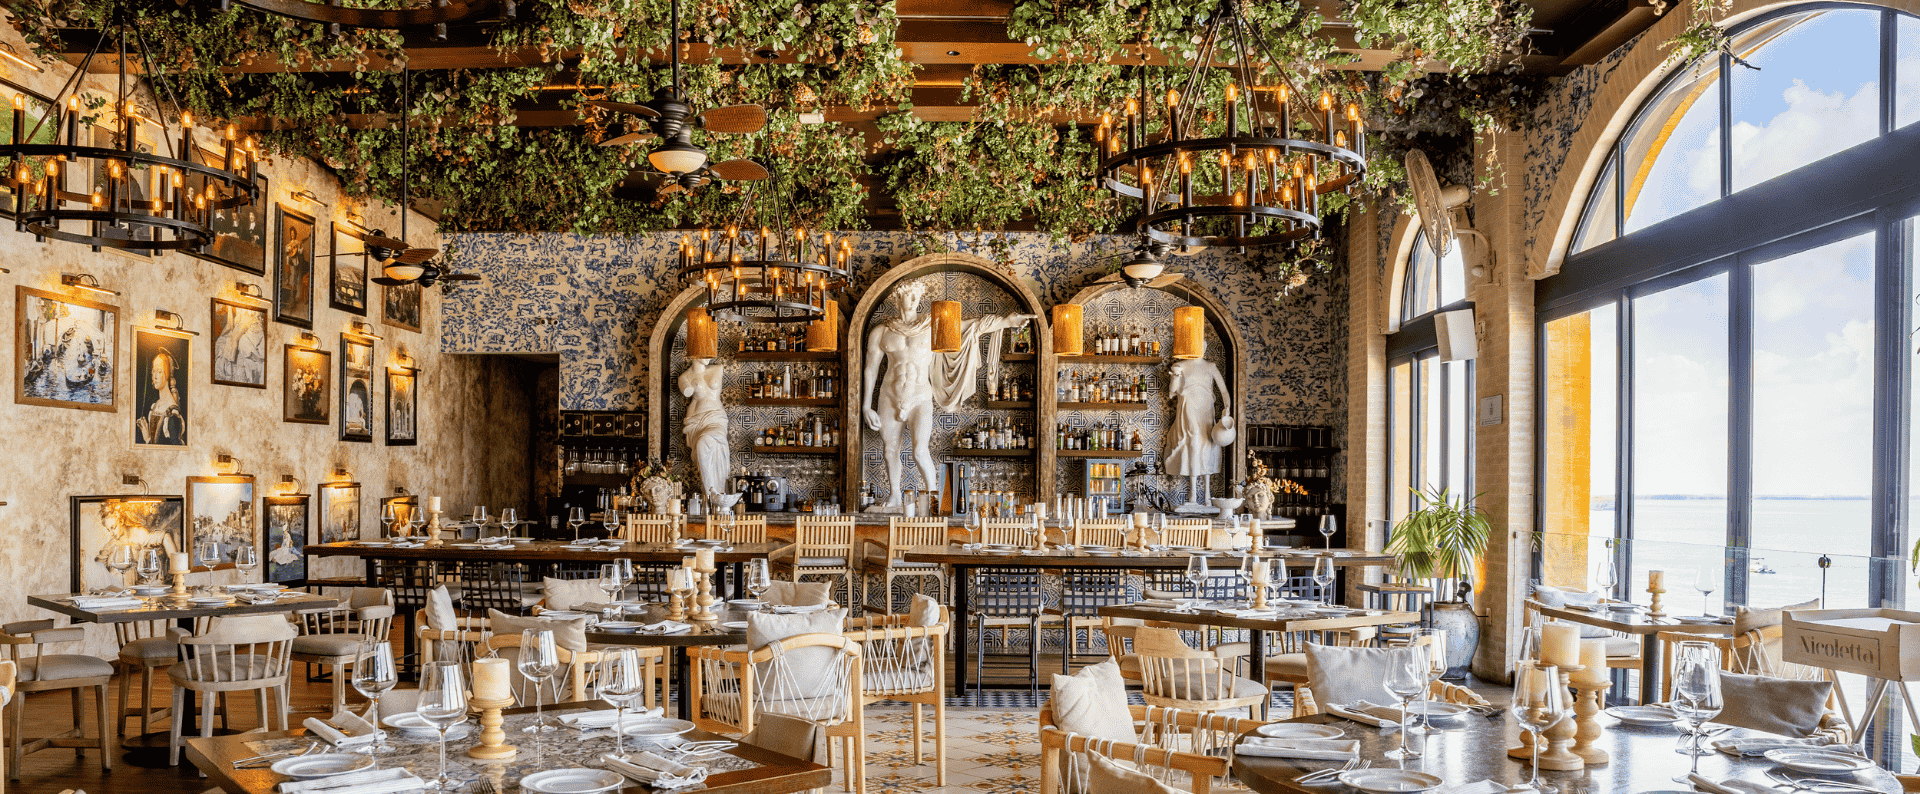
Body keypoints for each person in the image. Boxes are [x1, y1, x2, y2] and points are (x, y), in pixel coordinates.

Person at [1164, 337, 1231, 511]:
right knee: (1193, 444)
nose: (1201, 348)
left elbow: (1224, 391)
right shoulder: (1181, 365)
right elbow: (1172, 392)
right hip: (1188, 407)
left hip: (1206, 408)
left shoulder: (1210, 366)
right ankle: (1193, 496)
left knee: (1207, 445)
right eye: (1197, 345)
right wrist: (1176, 375)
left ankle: (1207, 497)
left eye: (1203, 346)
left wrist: (1227, 408)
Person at [679, 356, 731, 503]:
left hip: (716, 418)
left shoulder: (718, 368)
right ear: (695, 354)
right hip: (697, 421)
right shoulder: (684, 377)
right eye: (705, 352)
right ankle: (709, 494)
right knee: (702, 447)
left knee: (707, 444)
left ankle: (716, 494)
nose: (709, 356)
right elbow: (687, 392)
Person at [134, 347, 185, 445]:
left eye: (159, 371)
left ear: (167, 374)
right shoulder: (155, 406)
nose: (155, 376)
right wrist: (147, 437)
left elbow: (174, 451)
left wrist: (148, 438)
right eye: (154, 371)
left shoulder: (172, 413)